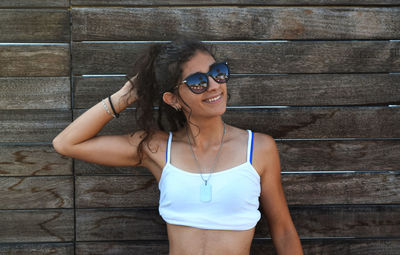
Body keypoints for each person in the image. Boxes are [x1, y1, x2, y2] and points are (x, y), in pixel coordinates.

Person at [53, 39, 303, 255]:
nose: (214, 85)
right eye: (197, 81)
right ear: (173, 99)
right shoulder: (156, 148)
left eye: (217, 72)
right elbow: (66, 143)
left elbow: (283, 231)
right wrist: (125, 96)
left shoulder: (258, 148)